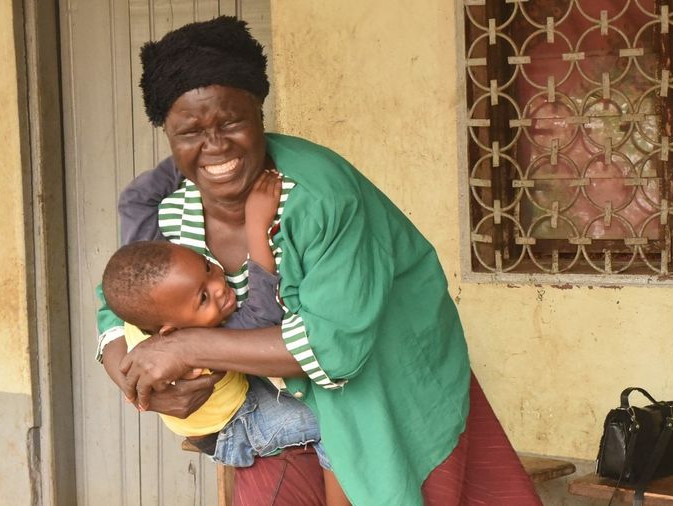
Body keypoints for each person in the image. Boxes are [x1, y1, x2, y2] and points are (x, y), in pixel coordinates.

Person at [96, 15, 542, 505]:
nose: (215, 146)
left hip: (378, 380)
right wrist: (134, 377)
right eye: (191, 131)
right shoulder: (165, 203)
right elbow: (120, 299)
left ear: (260, 114)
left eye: (232, 122)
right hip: (274, 404)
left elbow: (335, 352)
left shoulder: (319, 198)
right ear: (168, 134)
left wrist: (184, 349)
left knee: (381, 482)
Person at [100, 173, 347, 504]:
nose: (220, 284)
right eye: (203, 297)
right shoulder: (198, 340)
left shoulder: (151, 303)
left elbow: (135, 202)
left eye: (206, 265)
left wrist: (192, 162)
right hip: (235, 425)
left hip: (230, 401)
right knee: (336, 423)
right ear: (171, 332)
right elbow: (263, 314)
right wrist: (256, 229)